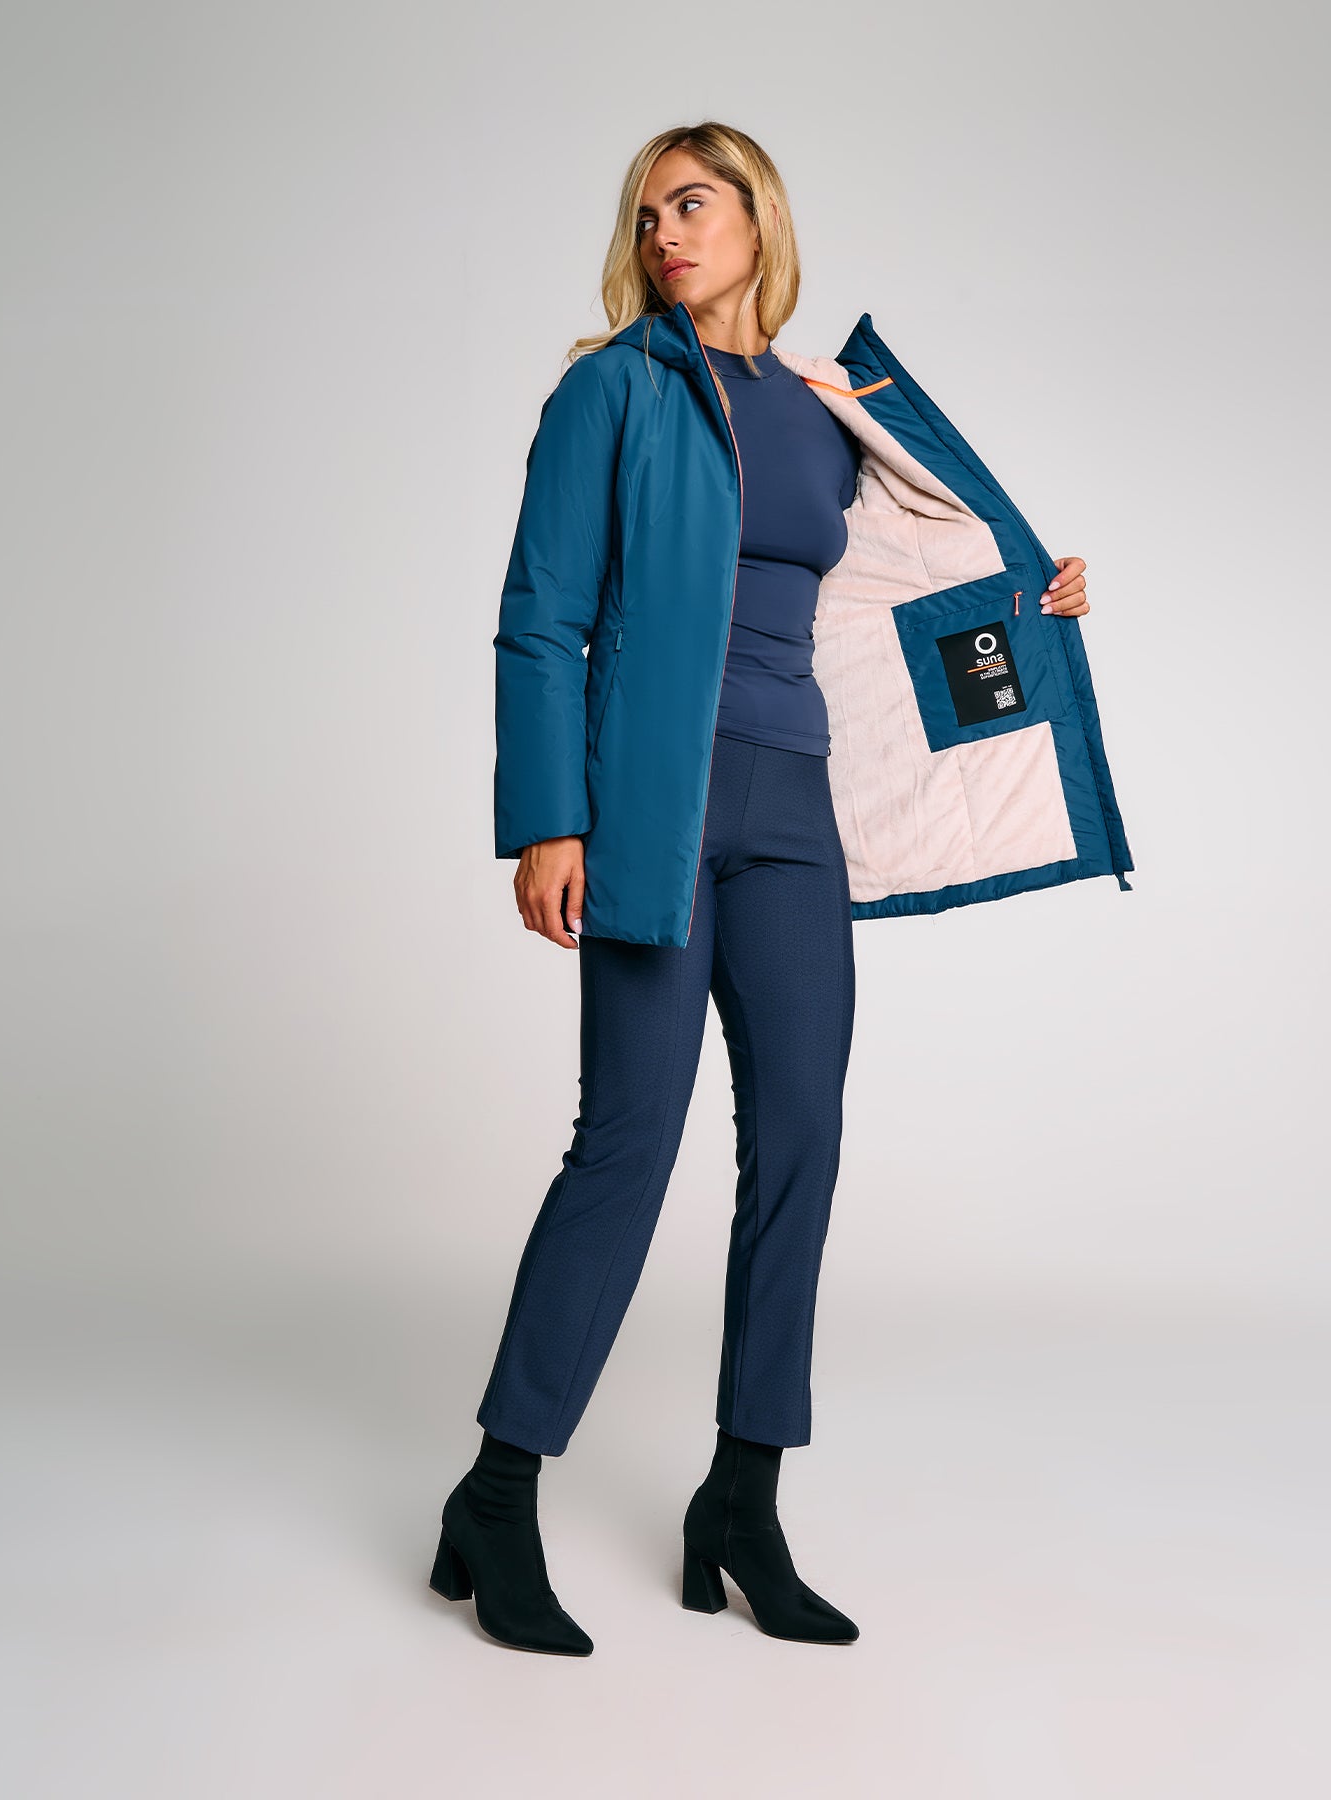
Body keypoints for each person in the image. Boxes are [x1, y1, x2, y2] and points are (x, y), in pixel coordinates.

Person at [430, 121, 1121, 1657]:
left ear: (760, 218)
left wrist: (1040, 602)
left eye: (694, 203)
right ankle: (498, 1490)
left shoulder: (825, 411)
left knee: (801, 1138)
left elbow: (905, 590)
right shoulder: (614, 388)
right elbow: (540, 613)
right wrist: (548, 823)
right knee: (628, 1144)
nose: (667, 232)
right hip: (655, 808)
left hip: (796, 812)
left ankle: (743, 1501)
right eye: (646, 215)